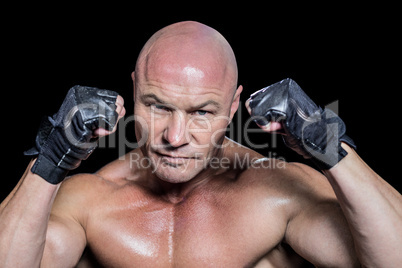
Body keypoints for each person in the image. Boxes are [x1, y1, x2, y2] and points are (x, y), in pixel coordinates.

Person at [1, 21, 401, 267]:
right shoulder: (90, 200)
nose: (175, 138)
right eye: (157, 106)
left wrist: (331, 146)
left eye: (202, 113)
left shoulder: (277, 193)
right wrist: (49, 159)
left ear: (232, 107)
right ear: (134, 91)